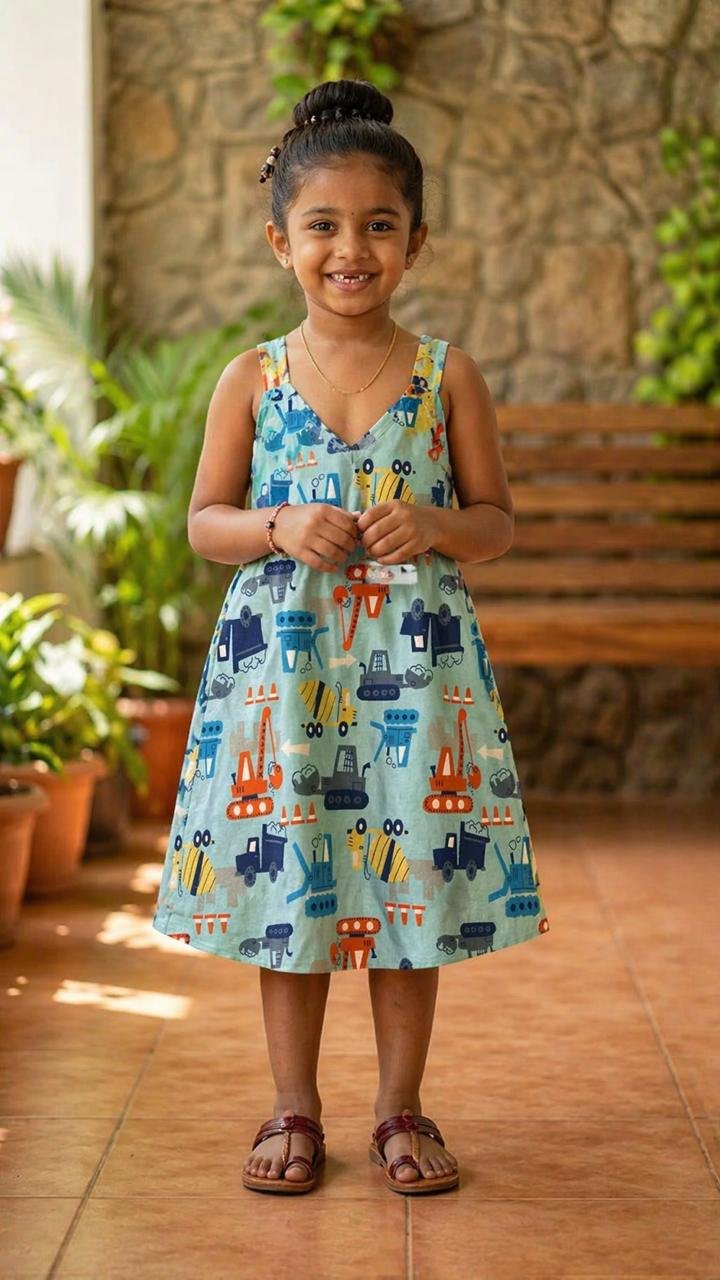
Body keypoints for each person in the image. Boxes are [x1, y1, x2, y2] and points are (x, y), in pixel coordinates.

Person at [152, 77, 550, 1198]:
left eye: (379, 225)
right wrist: (275, 524)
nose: (351, 249)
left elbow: (496, 521)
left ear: (415, 241)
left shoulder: (445, 376)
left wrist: (437, 524)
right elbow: (206, 521)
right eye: (323, 225)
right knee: (295, 888)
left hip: (418, 678)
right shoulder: (252, 378)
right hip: (285, 677)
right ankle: (293, 1106)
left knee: (408, 882)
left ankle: (399, 1107)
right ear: (281, 240)